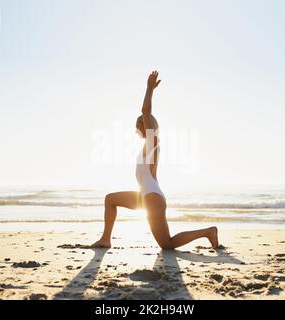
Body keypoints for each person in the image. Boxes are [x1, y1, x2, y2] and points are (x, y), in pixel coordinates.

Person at [91, 71, 218, 250]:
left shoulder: (153, 142)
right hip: (146, 196)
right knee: (110, 199)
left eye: (138, 127)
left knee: (167, 244)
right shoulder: (148, 147)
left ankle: (208, 232)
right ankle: (105, 239)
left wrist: (149, 89)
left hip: (152, 198)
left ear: (146, 126)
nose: (136, 131)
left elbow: (145, 111)